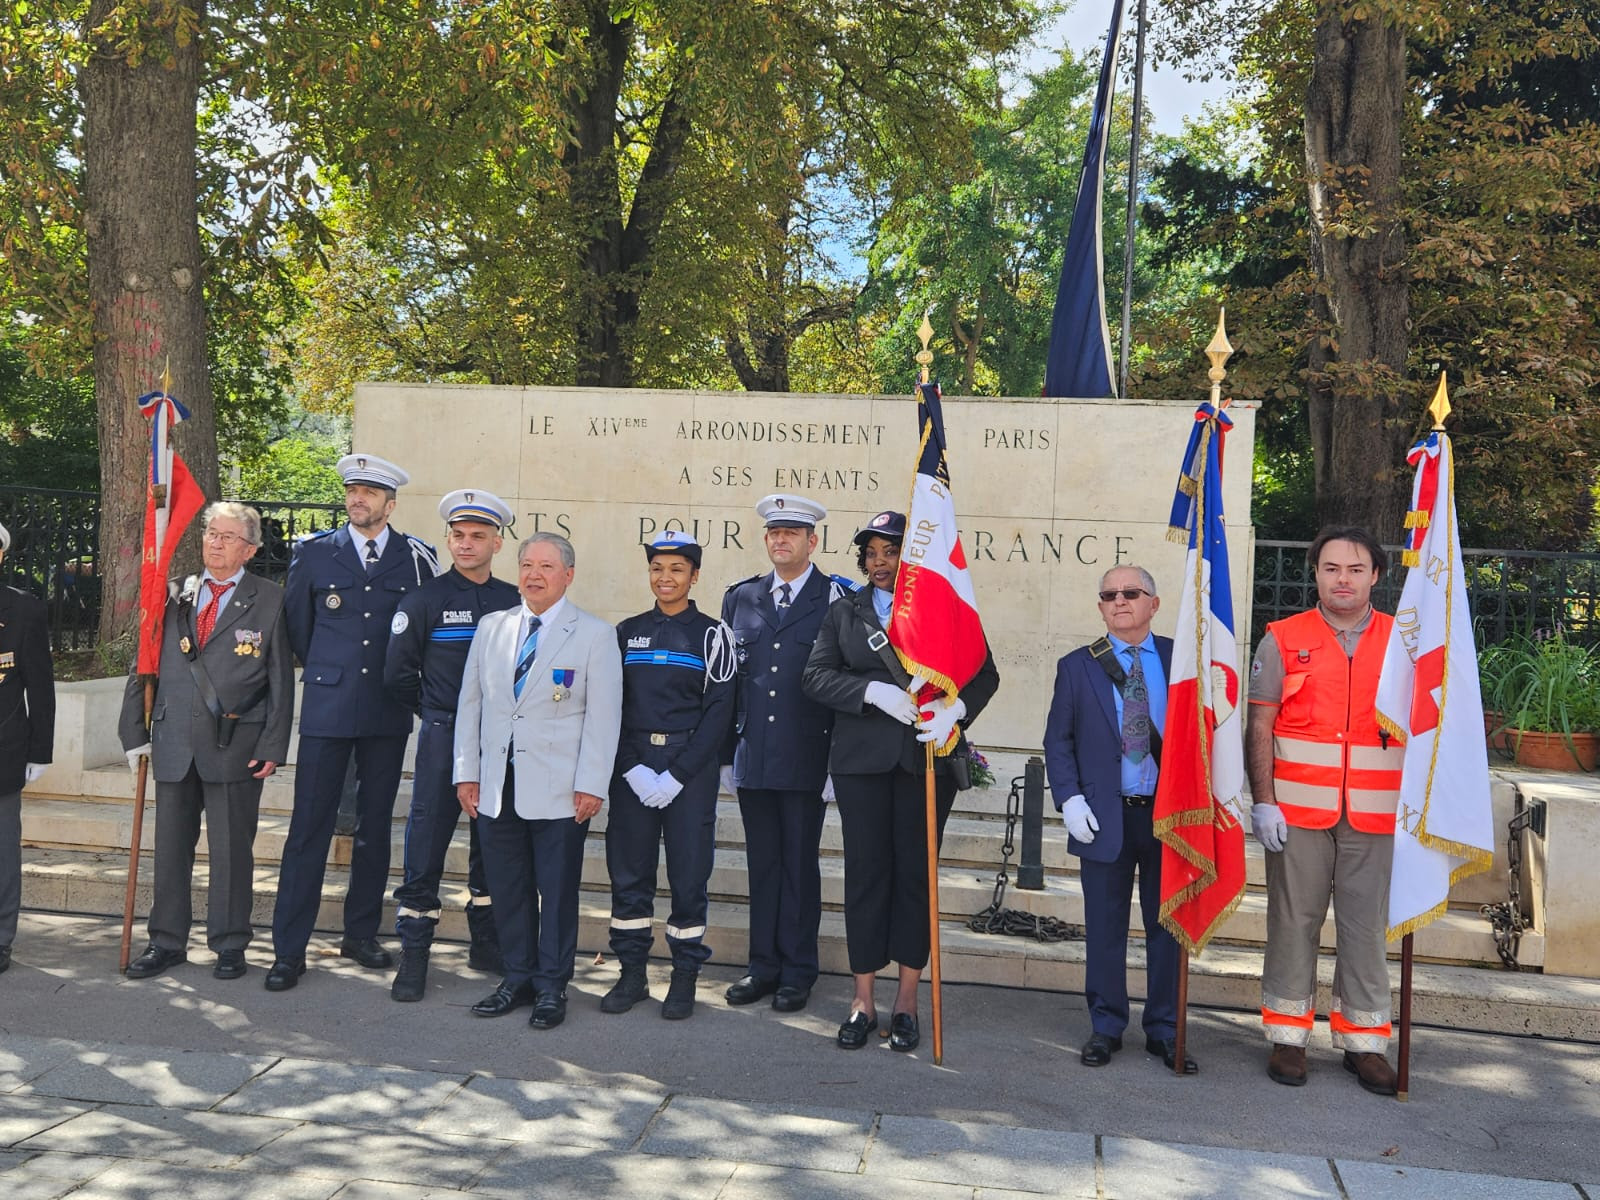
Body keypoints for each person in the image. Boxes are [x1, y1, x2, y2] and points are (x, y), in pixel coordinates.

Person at [802, 510, 999, 1052]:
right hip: (862, 762)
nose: (881, 561)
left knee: (917, 879)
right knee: (866, 876)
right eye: (873, 552)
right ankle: (862, 999)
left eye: (892, 551)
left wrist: (957, 708)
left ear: (913, 556)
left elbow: (986, 672)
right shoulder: (845, 611)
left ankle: (907, 1000)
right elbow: (814, 676)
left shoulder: (946, 607)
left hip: (925, 761)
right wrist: (870, 694)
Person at [267, 453, 439, 991]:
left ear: (390, 503)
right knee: (308, 830)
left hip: (386, 710)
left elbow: (419, 634)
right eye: (352, 490)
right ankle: (288, 950)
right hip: (328, 708)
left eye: (369, 492)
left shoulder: (415, 559)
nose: (357, 498)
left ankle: (360, 933)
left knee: (372, 829)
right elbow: (299, 628)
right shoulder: (316, 554)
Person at [1246, 526, 1406, 1096]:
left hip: (1377, 813)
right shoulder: (1281, 639)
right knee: (1294, 921)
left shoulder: (1403, 642)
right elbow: (1260, 724)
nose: (1343, 579)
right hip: (1297, 811)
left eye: (1355, 569)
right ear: (1315, 573)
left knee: (1366, 929)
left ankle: (1365, 1043)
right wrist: (1262, 801)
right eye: (1332, 568)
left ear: (1375, 577)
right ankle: (1288, 1036)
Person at [119, 503, 294, 980]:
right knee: (171, 847)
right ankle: (166, 941)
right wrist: (134, 730)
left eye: (228, 536)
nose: (215, 542)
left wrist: (273, 745)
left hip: (235, 741)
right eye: (211, 533)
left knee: (232, 848)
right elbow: (146, 662)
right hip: (174, 737)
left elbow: (281, 677)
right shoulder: (172, 592)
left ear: (251, 549)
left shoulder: (270, 598)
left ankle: (231, 943)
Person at [454, 532, 622, 1030]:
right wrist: (467, 772)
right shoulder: (493, 627)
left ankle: (552, 986)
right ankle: (517, 977)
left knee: (557, 890)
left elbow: (602, 718)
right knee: (508, 889)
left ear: (568, 575)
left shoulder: (593, 634)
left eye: (546, 566)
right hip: (496, 786)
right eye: (527, 564)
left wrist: (592, 783)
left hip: (560, 790)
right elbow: (471, 705)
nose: (533, 574)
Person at [1041, 565, 1196, 1074]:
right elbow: (1058, 741)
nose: (1120, 601)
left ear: (1154, 602)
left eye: (1131, 593)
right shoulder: (1077, 666)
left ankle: (1165, 1029)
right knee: (1105, 929)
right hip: (1105, 815)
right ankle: (1106, 1026)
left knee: (1166, 926)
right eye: (1109, 595)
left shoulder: (1183, 660)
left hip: (1168, 817)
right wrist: (1069, 800)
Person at [383, 489, 520, 1002]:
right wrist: (440, 714)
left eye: (478, 536)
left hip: (500, 741)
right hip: (443, 736)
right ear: (448, 540)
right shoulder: (424, 600)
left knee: (495, 843)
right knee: (427, 843)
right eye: (459, 536)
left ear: (497, 543)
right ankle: (414, 953)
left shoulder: (513, 601)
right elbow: (398, 675)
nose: (466, 545)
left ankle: (487, 944)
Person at [720, 493, 852, 1014]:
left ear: (812, 540)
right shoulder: (742, 598)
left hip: (808, 759)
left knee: (800, 867)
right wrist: (727, 756)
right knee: (763, 866)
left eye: (791, 532)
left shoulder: (839, 598)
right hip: (756, 757)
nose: (781, 540)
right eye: (774, 532)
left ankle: (798, 970)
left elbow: (846, 681)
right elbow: (730, 680)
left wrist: (836, 764)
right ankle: (762, 966)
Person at [600, 531, 736, 1020]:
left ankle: (683, 978)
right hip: (633, 770)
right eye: (658, 568)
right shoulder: (626, 632)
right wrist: (632, 767)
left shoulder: (712, 635)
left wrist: (678, 774)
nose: (665, 577)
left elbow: (720, 712)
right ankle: (632, 975)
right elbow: (609, 706)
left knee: (688, 877)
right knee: (630, 875)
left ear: (694, 575)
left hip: (688, 774)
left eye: (677, 569)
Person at [0, 519, 55, 977]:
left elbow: (40, 686)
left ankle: (0, 939)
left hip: (3, 747)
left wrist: (40, 750)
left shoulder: (24, 610)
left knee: (2, 851)